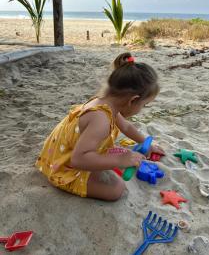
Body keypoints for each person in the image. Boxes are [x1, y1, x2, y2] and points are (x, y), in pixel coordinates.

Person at [35, 52, 164, 201]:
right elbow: (78, 159)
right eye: (144, 105)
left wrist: (146, 142)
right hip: (65, 165)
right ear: (132, 100)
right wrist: (119, 161)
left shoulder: (107, 104)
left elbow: (127, 128)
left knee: (112, 157)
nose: (143, 108)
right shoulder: (100, 120)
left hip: (68, 151)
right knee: (116, 189)